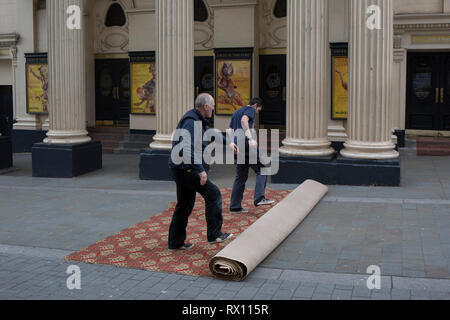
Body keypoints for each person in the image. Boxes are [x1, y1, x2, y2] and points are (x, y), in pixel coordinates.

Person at [167, 93, 239, 251]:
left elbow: (211, 133)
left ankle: (175, 242)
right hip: (187, 169)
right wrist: (200, 170)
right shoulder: (191, 123)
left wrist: (228, 143)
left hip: (180, 169)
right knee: (213, 194)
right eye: (212, 105)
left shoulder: (197, 119)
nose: (213, 108)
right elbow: (187, 149)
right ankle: (215, 234)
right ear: (205, 107)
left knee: (184, 205)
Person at [228, 98, 275, 214]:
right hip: (245, 145)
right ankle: (259, 198)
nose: (257, 112)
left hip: (237, 147)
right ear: (255, 105)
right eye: (258, 110)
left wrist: (231, 143)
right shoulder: (250, 110)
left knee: (240, 177)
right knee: (262, 169)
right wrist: (250, 138)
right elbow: (244, 121)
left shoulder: (237, 112)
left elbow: (230, 129)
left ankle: (235, 206)